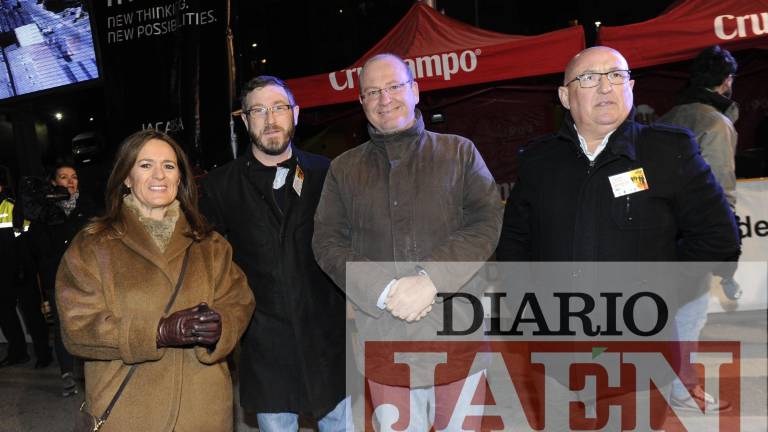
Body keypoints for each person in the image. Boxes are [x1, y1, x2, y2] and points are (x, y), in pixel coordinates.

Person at [496, 46, 740, 427]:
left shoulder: (667, 151)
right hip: (555, 352)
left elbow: (717, 237)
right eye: (589, 78)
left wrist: (660, 296)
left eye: (617, 76)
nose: (606, 86)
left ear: (631, 87)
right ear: (565, 96)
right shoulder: (539, 161)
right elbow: (514, 242)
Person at [313, 53, 503, 430]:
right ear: (362, 102)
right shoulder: (344, 169)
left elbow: (486, 221)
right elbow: (327, 241)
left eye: (395, 86)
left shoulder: (458, 152)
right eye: (373, 91)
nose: (385, 99)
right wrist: (383, 291)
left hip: (457, 331)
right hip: (385, 338)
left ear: (415, 91)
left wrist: (430, 279)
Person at [56, 130, 255, 431]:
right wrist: (157, 332)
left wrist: (221, 325)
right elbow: (77, 327)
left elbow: (239, 300)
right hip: (128, 412)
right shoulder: (93, 246)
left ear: (180, 179)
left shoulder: (209, 244)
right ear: (126, 177)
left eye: (169, 166)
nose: (159, 174)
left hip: (204, 410)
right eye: (145, 165)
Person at [200, 76, 348, 431]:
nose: (270, 119)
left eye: (279, 108)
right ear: (244, 119)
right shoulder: (219, 187)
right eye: (259, 110)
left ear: (295, 113)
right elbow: (208, 264)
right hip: (264, 346)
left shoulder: (326, 173)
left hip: (327, 341)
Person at [658, 45, 740, 412]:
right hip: (695, 234)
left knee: (668, 313)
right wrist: (726, 245)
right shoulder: (715, 123)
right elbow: (722, 190)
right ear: (725, 81)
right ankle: (682, 389)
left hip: (660, 232)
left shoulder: (667, 116)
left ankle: (667, 383)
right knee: (690, 314)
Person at [27, 161, 98, 395]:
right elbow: (38, 248)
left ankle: (93, 372)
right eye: (64, 177)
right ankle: (67, 373)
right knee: (62, 325)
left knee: (90, 321)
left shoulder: (88, 207)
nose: (70, 181)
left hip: (88, 276)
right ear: (54, 182)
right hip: (57, 276)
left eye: (74, 176)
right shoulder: (43, 211)